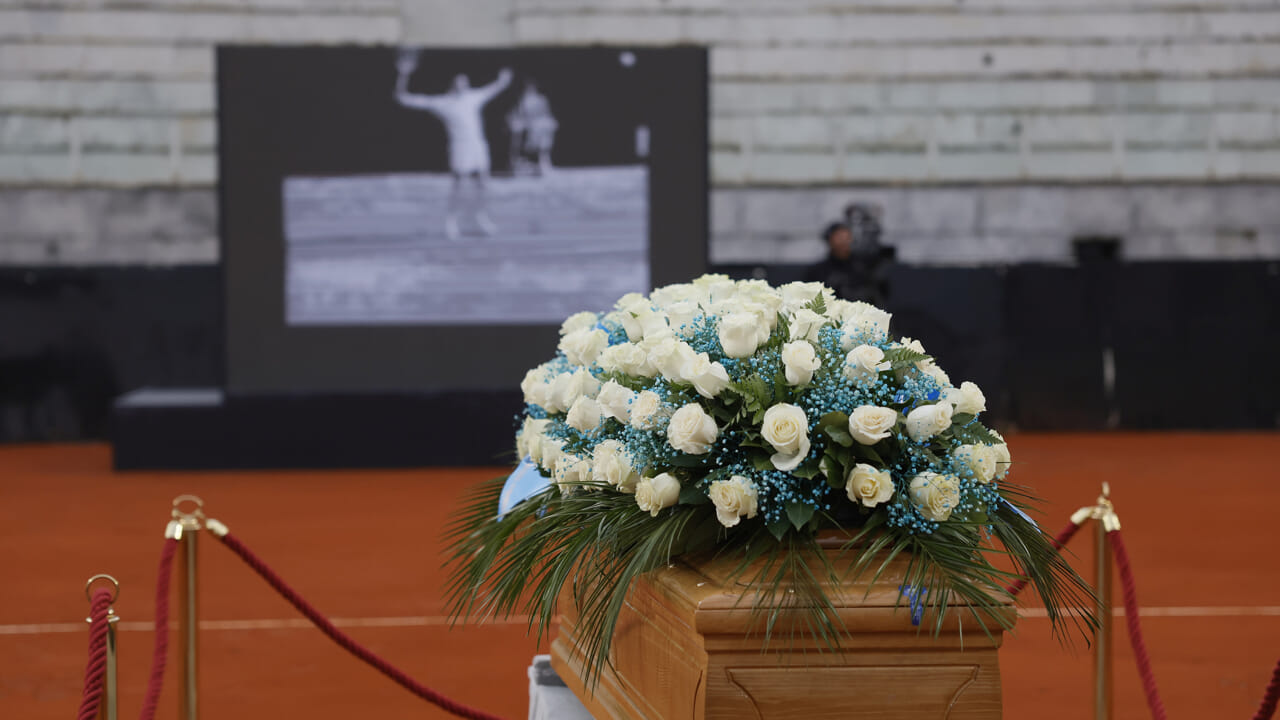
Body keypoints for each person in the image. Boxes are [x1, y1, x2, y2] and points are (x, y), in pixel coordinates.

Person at [394, 49, 512, 240]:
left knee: (483, 184)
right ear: (452, 85)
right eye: (459, 82)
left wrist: (504, 78)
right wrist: (403, 75)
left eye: (465, 83)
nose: (462, 86)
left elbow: (496, 87)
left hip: (478, 146)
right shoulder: (443, 103)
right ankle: (451, 222)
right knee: (459, 187)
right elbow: (403, 98)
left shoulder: (473, 97)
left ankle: (481, 218)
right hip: (460, 148)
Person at [804, 204, 893, 306]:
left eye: (846, 237)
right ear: (830, 240)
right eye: (839, 237)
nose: (843, 242)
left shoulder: (864, 268)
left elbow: (879, 296)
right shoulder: (817, 271)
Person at [506, 80, 558, 177]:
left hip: (539, 122)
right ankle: (517, 162)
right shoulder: (522, 100)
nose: (530, 89)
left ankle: (544, 161)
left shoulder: (542, 99)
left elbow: (546, 112)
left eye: (532, 87)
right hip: (528, 123)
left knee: (547, 125)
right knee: (518, 128)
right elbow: (518, 115)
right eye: (528, 88)